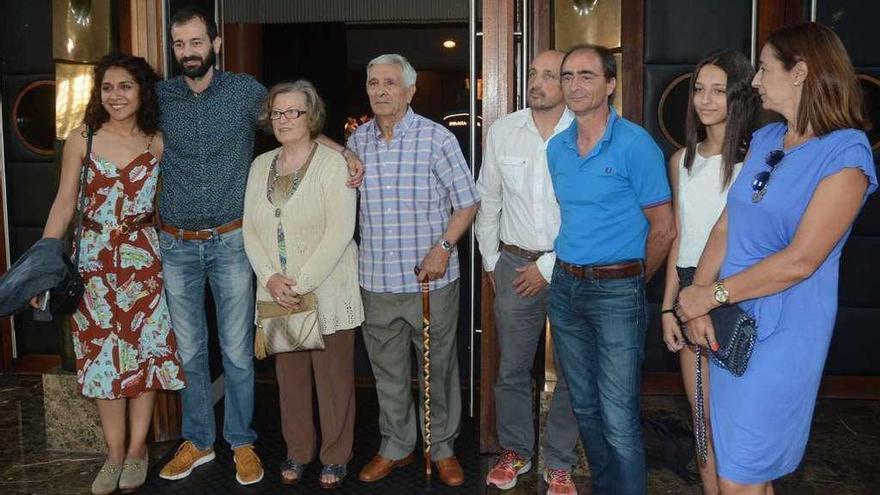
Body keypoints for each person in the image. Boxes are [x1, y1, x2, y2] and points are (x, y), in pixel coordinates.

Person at [156, 7, 362, 486]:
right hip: (178, 242)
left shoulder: (246, 92)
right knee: (189, 350)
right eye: (180, 44)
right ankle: (200, 441)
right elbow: (129, 130)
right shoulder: (161, 96)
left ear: (216, 44)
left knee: (236, 350)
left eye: (196, 42)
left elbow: (294, 122)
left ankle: (243, 442)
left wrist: (344, 150)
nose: (188, 52)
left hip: (229, 242)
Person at [676, 22, 877, 495]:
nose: (757, 81)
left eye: (764, 69)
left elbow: (801, 261)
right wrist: (697, 297)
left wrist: (712, 294)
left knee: (739, 476)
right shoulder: (767, 139)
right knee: (737, 466)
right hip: (730, 319)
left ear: (802, 72)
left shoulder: (847, 153)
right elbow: (726, 225)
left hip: (784, 330)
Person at [34, 53, 185, 495]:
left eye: (125, 87)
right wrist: (45, 262)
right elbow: (64, 203)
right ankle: (114, 453)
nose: (115, 96)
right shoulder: (83, 137)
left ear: (142, 92)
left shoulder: (157, 141)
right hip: (94, 261)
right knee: (102, 357)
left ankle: (138, 450)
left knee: (146, 354)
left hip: (144, 258)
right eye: (107, 87)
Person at [546, 44, 675, 495]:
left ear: (610, 84)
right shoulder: (557, 149)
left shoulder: (636, 145)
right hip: (565, 288)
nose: (574, 85)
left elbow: (663, 229)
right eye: (567, 76)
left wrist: (633, 282)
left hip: (618, 291)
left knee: (619, 415)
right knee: (584, 406)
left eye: (585, 75)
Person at [348, 53, 479, 487]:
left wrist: (444, 247)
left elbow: (467, 202)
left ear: (410, 91)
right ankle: (396, 446)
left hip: (431, 279)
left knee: (437, 368)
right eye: (373, 83)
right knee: (386, 372)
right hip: (375, 281)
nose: (380, 90)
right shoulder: (358, 143)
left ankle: (441, 448)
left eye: (389, 83)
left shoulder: (436, 139)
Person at [242, 80, 364, 489]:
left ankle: (335, 457)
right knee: (290, 381)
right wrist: (271, 278)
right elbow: (250, 230)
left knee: (333, 382)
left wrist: (302, 283)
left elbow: (341, 231)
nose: (284, 120)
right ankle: (298, 451)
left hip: (327, 290)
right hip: (278, 293)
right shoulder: (261, 165)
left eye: (293, 111)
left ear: (310, 116)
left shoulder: (333, 164)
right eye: (277, 113)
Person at [476, 50, 580, 495]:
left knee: (575, 370)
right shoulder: (504, 131)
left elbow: (591, 210)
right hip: (513, 264)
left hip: (575, 264)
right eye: (533, 73)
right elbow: (489, 199)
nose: (536, 82)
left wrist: (548, 265)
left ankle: (559, 462)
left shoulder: (585, 130)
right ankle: (516, 451)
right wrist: (491, 262)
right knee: (512, 369)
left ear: (570, 83)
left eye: (548, 75)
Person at [660, 50, 757, 495]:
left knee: (740, 427)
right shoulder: (681, 161)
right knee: (701, 425)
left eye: (719, 90)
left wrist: (704, 298)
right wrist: (668, 309)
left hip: (736, 295)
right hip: (687, 295)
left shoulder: (757, 162)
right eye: (700, 89)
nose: (705, 99)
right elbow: (679, 237)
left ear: (739, 96)